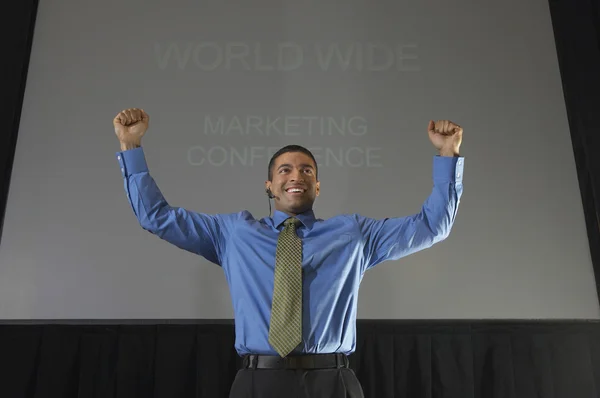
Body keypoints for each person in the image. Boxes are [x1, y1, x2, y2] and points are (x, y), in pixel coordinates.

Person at [113, 108, 464, 398]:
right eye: (285, 170)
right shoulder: (233, 234)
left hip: (333, 382)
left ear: (318, 185)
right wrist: (131, 146)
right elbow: (157, 217)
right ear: (269, 186)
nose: (296, 175)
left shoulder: (354, 234)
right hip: (258, 382)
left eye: (306, 170)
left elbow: (432, 226)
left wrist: (448, 154)